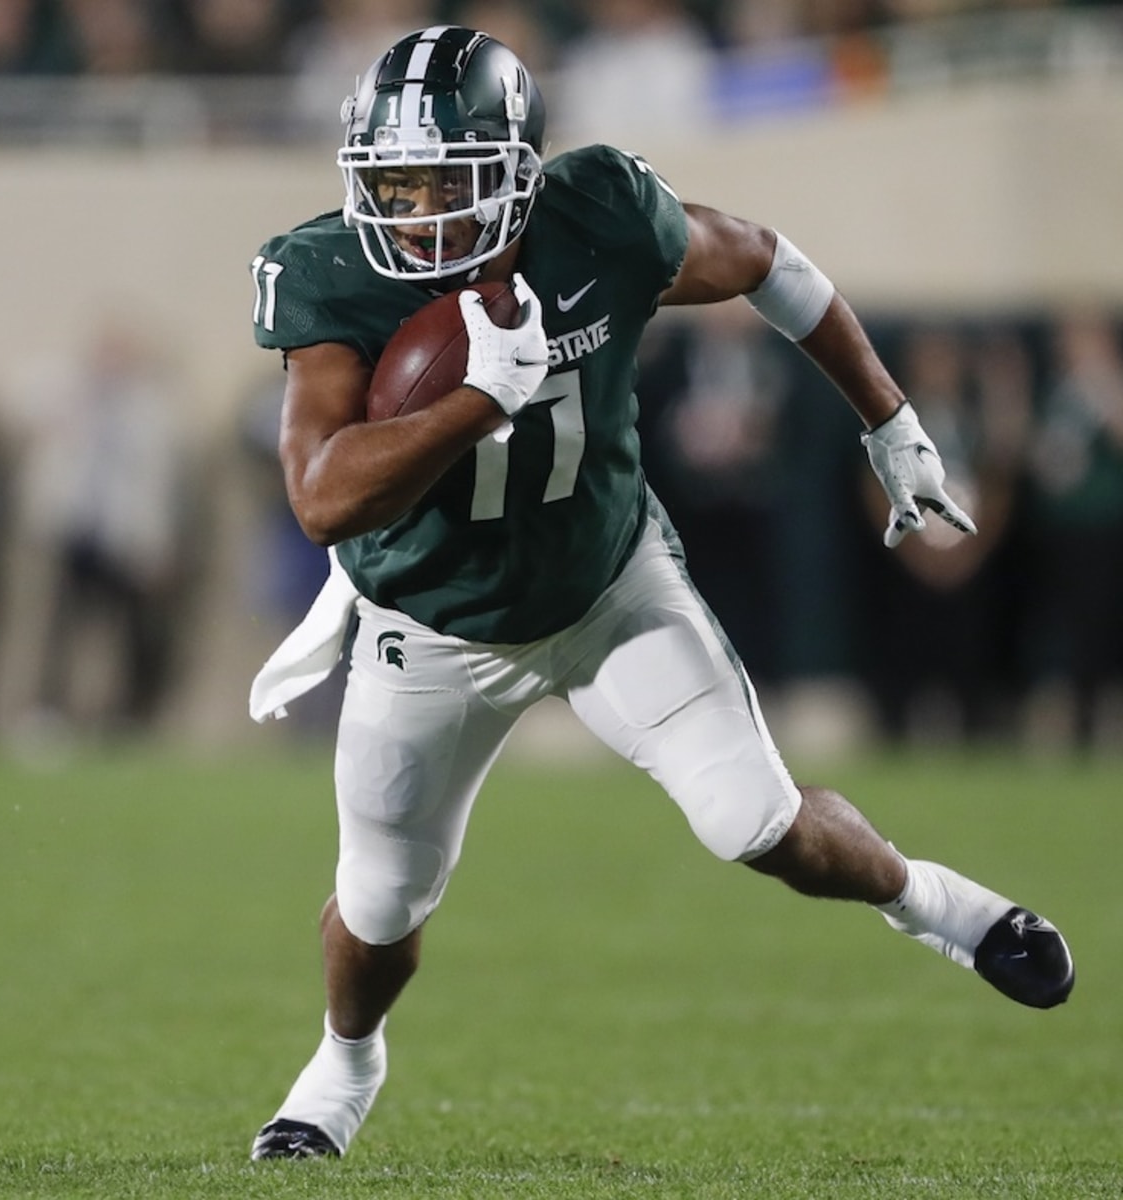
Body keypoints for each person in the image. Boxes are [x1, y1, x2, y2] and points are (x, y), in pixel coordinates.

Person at [244, 25, 1075, 1161]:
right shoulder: (332, 273)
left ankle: (938, 905)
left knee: (757, 820)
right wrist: (475, 402)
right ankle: (344, 1065)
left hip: (608, 588)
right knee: (380, 904)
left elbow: (771, 262)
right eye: (392, 181)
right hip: (425, 624)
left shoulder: (600, 217)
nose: (416, 211)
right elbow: (322, 499)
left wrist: (889, 417)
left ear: (521, 171)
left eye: (448, 179)